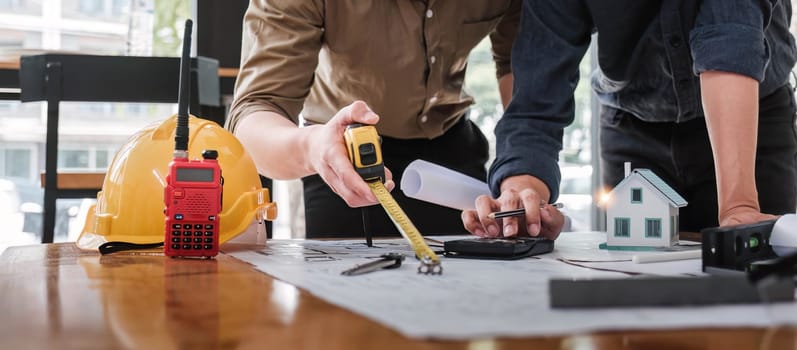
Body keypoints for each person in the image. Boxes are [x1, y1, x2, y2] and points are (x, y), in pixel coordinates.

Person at [463, 0, 797, 239]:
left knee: (760, 287)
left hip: (747, 117)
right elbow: (537, 98)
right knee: (633, 285)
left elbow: (729, 39)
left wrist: (739, 205)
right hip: (632, 123)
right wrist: (524, 198)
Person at [228, 0, 520, 238]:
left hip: (453, 151)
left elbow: (519, 67)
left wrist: (520, 167)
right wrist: (312, 148)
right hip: (342, 155)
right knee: (339, 305)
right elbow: (256, 114)